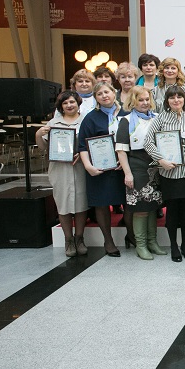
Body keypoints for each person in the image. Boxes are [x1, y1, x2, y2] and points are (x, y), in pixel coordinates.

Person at [144, 86, 185, 262]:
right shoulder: (161, 118)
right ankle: (173, 245)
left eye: (179, 97)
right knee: (172, 210)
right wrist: (161, 160)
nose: (176, 100)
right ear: (167, 100)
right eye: (172, 97)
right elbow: (148, 142)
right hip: (169, 171)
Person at [35, 91, 88, 257]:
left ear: (78, 103)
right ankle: (68, 240)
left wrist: (83, 153)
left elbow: (91, 143)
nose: (69, 105)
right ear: (61, 106)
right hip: (60, 169)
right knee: (63, 204)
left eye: (72, 102)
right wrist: (38, 134)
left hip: (80, 167)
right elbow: (43, 147)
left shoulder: (86, 121)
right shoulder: (53, 123)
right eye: (65, 103)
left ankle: (79, 238)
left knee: (81, 204)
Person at [115, 86, 164, 260]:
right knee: (141, 209)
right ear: (133, 102)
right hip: (137, 167)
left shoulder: (157, 118)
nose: (144, 103)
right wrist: (128, 174)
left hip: (156, 168)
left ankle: (152, 242)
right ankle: (141, 245)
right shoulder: (126, 121)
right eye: (140, 100)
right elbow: (121, 151)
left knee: (152, 208)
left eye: (147, 99)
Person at [78, 82, 125, 257]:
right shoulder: (90, 118)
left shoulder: (126, 113)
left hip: (122, 168)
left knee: (129, 203)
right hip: (99, 169)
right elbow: (82, 145)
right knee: (102, 204)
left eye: (107, 92)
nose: (104, 96)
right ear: (96, 98)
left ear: (114, 93)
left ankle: (131, 235)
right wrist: (88, 166)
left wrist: (125, 162)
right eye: (99, 94)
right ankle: (108, 240)